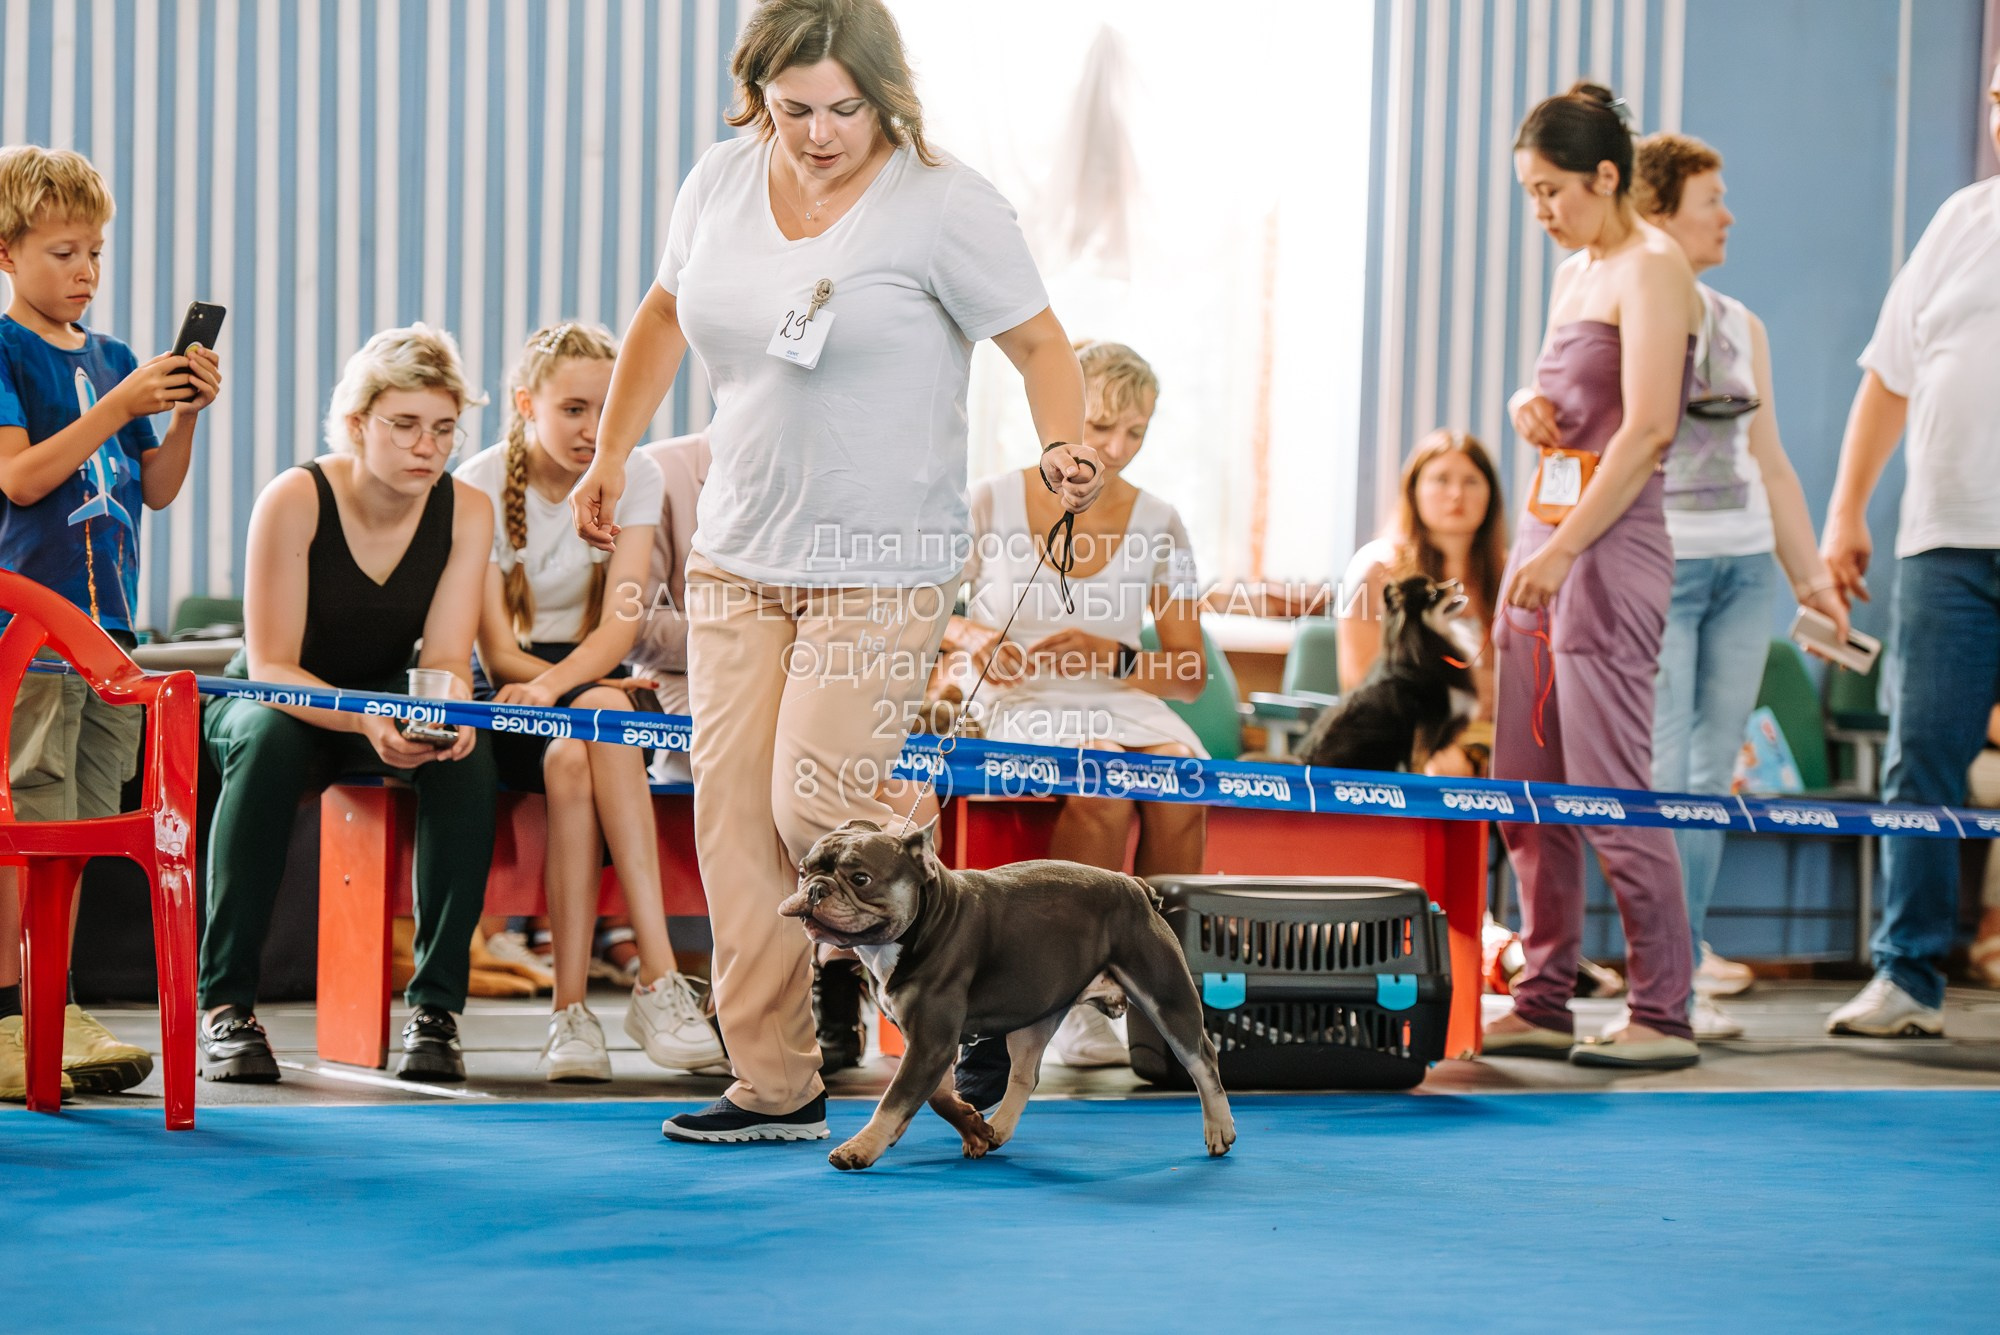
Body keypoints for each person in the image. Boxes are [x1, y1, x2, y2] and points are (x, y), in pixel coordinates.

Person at [571, 0, 1103, 1144]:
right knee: (732, 823)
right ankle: (774, 1083)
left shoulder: (946, 201)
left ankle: (982, 965)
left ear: (885, 93)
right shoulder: (719, 182)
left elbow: (1040, 344)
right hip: (737, 552)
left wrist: (1062, 440)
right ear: (757, 94)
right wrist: (614, 453)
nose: (816, 133)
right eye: (790, 108)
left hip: (881, 561)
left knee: (809, 801)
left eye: (841, 110)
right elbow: (663, 314)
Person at [198, 324, 498, 1083]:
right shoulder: (295, 496)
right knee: (268, 738)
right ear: (359, 422)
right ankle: (226, 1005)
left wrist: (451, 712)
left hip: (380, 700)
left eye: (442, 429)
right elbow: (271, 666)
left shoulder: (465, 509)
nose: (426, 447)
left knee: (466, 751)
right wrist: (365, 714)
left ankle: (436, 1010)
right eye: (404, 425)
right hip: (270, 697)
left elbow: (442, 662)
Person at [1482, 83, 1704, 1069]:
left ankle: (1661, 1008)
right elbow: (1570, 400)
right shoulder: (1578, 270)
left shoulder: (1653, 268)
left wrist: (1567, 548)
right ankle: (1542, 993)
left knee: (1609, 783)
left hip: (1601, 552)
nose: (1539, 211)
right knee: (1525, 792)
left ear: (1605, 177)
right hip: (1541, 542)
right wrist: (1525, 399)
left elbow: (1648, 426)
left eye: (1551, 191)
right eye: (1528, 193)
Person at [0, 144, 220, 1102]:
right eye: (60, 252)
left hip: (113, 638)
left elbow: (157, 490)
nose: (85, 272)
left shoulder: (121, 359)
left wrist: (180, 417)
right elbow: (21, 476)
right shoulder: (7, 353)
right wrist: (121, 406)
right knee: (26, 822)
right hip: (33, 635)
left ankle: (60, 999)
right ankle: (12, 1013)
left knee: (84, 827)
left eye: (94, 251)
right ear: (6, 253)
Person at [458, 323, 724, 1082]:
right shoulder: (477, 481)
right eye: (573, 408)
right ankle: (652, 982)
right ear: (524, 404)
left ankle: (583, 1008)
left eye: (608, 411)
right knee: (585, 732)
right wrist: (541, 688)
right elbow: (496, 650)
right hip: (506, 687)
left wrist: (559, 686)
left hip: (591, 678)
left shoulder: (631, 473)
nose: (592, 430)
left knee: (587, 738)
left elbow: (622, 625)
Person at [1631, 132, 1853, 1040]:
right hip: (1659, 566)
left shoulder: (1741, 324)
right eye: (1711, 198)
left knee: (1708, 779)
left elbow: (1773, 465)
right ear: (1659, 211)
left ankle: (1678, 974)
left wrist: (1814, 581)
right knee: (1664, 774)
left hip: (1743, 567)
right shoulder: (1621, 309)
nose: (1729, 215)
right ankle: (1663, 983)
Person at [958, 339, 1206, 1071]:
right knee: (1102, 789)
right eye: (1102, 426)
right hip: (1022, 696)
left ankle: (1160, 1001)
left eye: (1137, 432)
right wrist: (975, 635)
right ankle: (1071, 998)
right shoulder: (991, 499)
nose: (1118, 447)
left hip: (1120, 696)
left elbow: (1189, 674)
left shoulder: (1162, 521)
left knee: (1182, 785)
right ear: (1063, 418)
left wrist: (1114, 654)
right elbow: (922, 608)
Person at [1819, 57, 2000, 1038]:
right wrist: (1845, 510)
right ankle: (1906, 978)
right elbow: (1886, 378)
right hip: (1941, 543)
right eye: (1994, 99)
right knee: (1918, 759)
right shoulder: (1956, 223)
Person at [1337, 428, 1507, 776]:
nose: (1456, 494)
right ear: (1413, 490)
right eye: (1441, 480)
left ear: (1491, 494)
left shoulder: (1515, 572)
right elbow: (1361, 681)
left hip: (1498, 736)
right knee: (1446, 769)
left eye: (1472, 481)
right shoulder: (1376, 568)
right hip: (1407, 735)